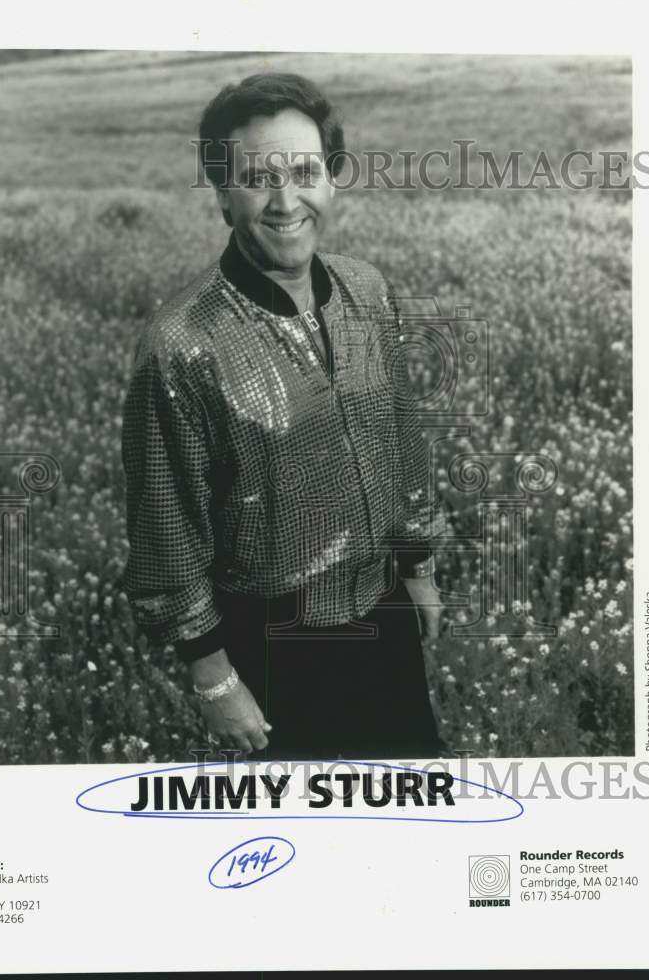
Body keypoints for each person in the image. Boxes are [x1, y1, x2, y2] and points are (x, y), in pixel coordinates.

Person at [121, 72, 450, 760]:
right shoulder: (180, 344)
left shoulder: (366, 289)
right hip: (271, 649)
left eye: (305, 172)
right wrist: (214, 678)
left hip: (383, 606)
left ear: (332, 180)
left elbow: (400, 437)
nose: (285, 201)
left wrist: (416, 568)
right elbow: (166, 527)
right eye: (257, 179)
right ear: (222, 195)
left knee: (408, 798)